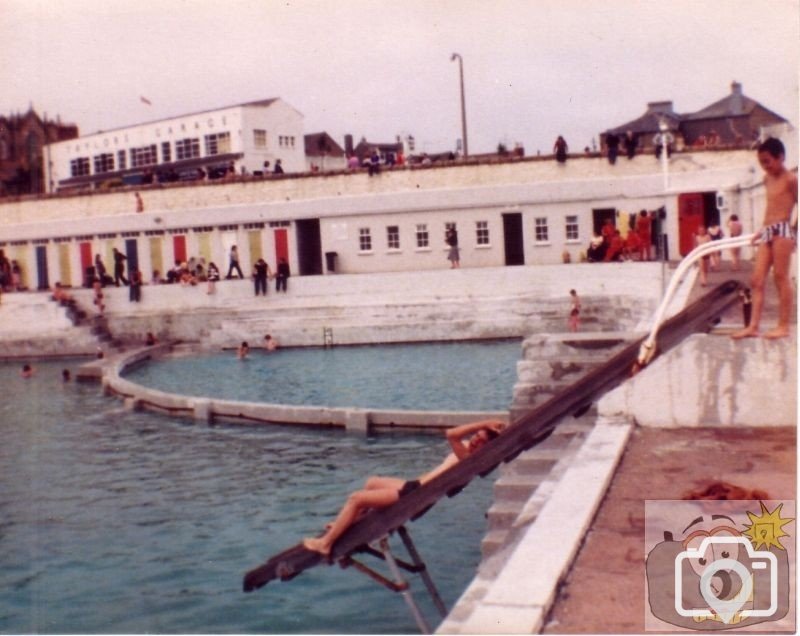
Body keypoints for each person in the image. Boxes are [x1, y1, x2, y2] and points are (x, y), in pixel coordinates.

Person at [303, 419, 506, 556]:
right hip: (416, 486)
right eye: (475, 437)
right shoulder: (468, 452)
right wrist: (492, 428)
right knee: (372, 482)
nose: (474, 441)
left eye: (479, 441)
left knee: (357, 498)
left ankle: (326, 543)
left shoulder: (469, 459)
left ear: (484, 449)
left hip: (415, 495)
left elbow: (451, 434)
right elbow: (462, 437)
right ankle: (352, 522)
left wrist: (485, 423)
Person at [732, 138, 798, 340]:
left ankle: (783, 326)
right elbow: (771, 207)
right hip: (768, 230)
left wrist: (794, 230)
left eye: (768, 161)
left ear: (781, 157)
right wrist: (762, 230)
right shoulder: (766, 179)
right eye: (761, 162)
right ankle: (753, 326)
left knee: (780, 277)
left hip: (783, 231)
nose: (765, 166)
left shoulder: (791, 179)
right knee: (756, 279)